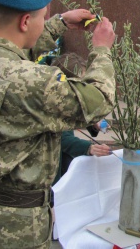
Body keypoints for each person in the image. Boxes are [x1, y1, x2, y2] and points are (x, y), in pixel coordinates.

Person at [0, 0, 116, 249]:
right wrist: (101, 49)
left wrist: (58, 22)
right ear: (24, 22)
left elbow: (9, 52)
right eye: (41, 17)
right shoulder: (34, 82)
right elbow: (98, 100)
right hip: (17, 228)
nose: (43, 22)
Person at [50, 53, 112, 185]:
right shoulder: (53, 101)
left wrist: (93, 122)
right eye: (80, 81)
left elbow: (76, 112)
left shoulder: (61, 93)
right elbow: (62, 138)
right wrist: (89, 148)